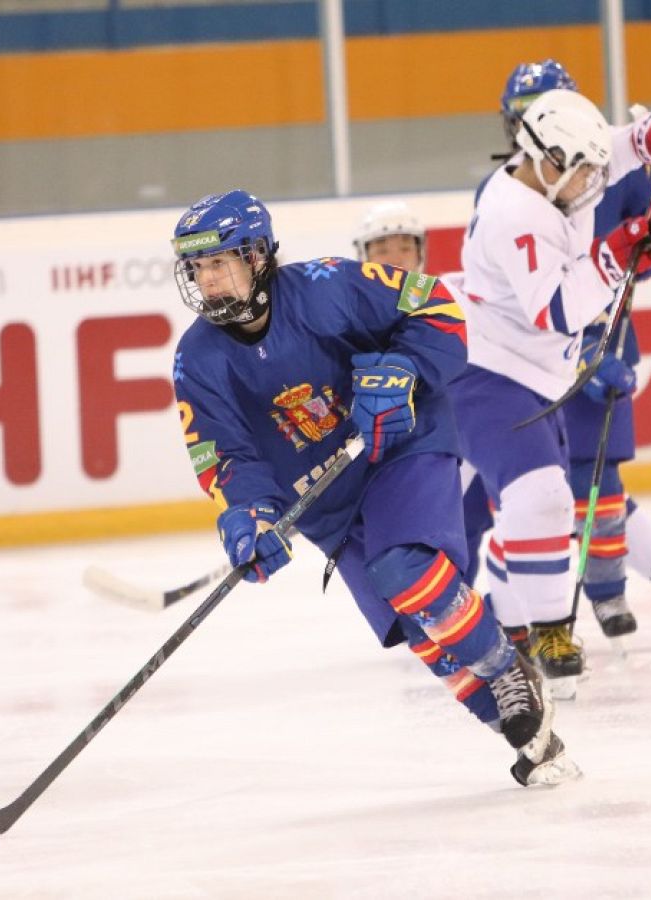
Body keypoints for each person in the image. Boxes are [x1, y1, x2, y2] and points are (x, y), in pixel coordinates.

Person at [170, 188, 577, 786]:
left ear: (257, 258)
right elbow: (227, 456)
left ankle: (504, 664)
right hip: (328, 503)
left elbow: (437, 309)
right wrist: (249, 516)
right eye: (198, 269)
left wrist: (406, 368)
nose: (209, 282)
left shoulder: (328, 286)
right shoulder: (196, 360)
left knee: (405, 570)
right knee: (417, 627)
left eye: (220, 263)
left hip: (398, 450)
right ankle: (533, 740)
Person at [450, 86, 651, 698]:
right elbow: (560, 309)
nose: (593, 182)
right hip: (491, 372)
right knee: (540, 499)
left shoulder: (554, 173)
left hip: (533, 374)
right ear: (545, 162)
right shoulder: (516, 213)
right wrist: (617, 256)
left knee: (539, 506)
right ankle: (546, 629)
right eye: (580, 171)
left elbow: (601, 160)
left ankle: (525, 628)